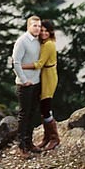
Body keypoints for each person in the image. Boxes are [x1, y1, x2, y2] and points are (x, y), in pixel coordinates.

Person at [22, 19, 59, 151]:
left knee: (45, 107)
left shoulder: (49, 44)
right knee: (43, 108)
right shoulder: (43, 42)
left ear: (50, 32)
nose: (43, 33)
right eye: (41, 30)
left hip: (49, 77)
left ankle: (54, 138)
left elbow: (39, 64)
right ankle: (47, 137)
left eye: (46, 31)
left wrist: (21, 66)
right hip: (44, 75)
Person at [12, 15, 42, 157]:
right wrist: (24, 80)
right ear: (28, 26)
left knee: (32, 114)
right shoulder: (22, 41)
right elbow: (16, 63)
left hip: (36, 83)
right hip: (25, 85)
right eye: (34, 25)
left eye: (39, 26)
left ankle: (29, 142)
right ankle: (21, 146)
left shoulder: (38, 41)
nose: (37, 28)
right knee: (23, 115)